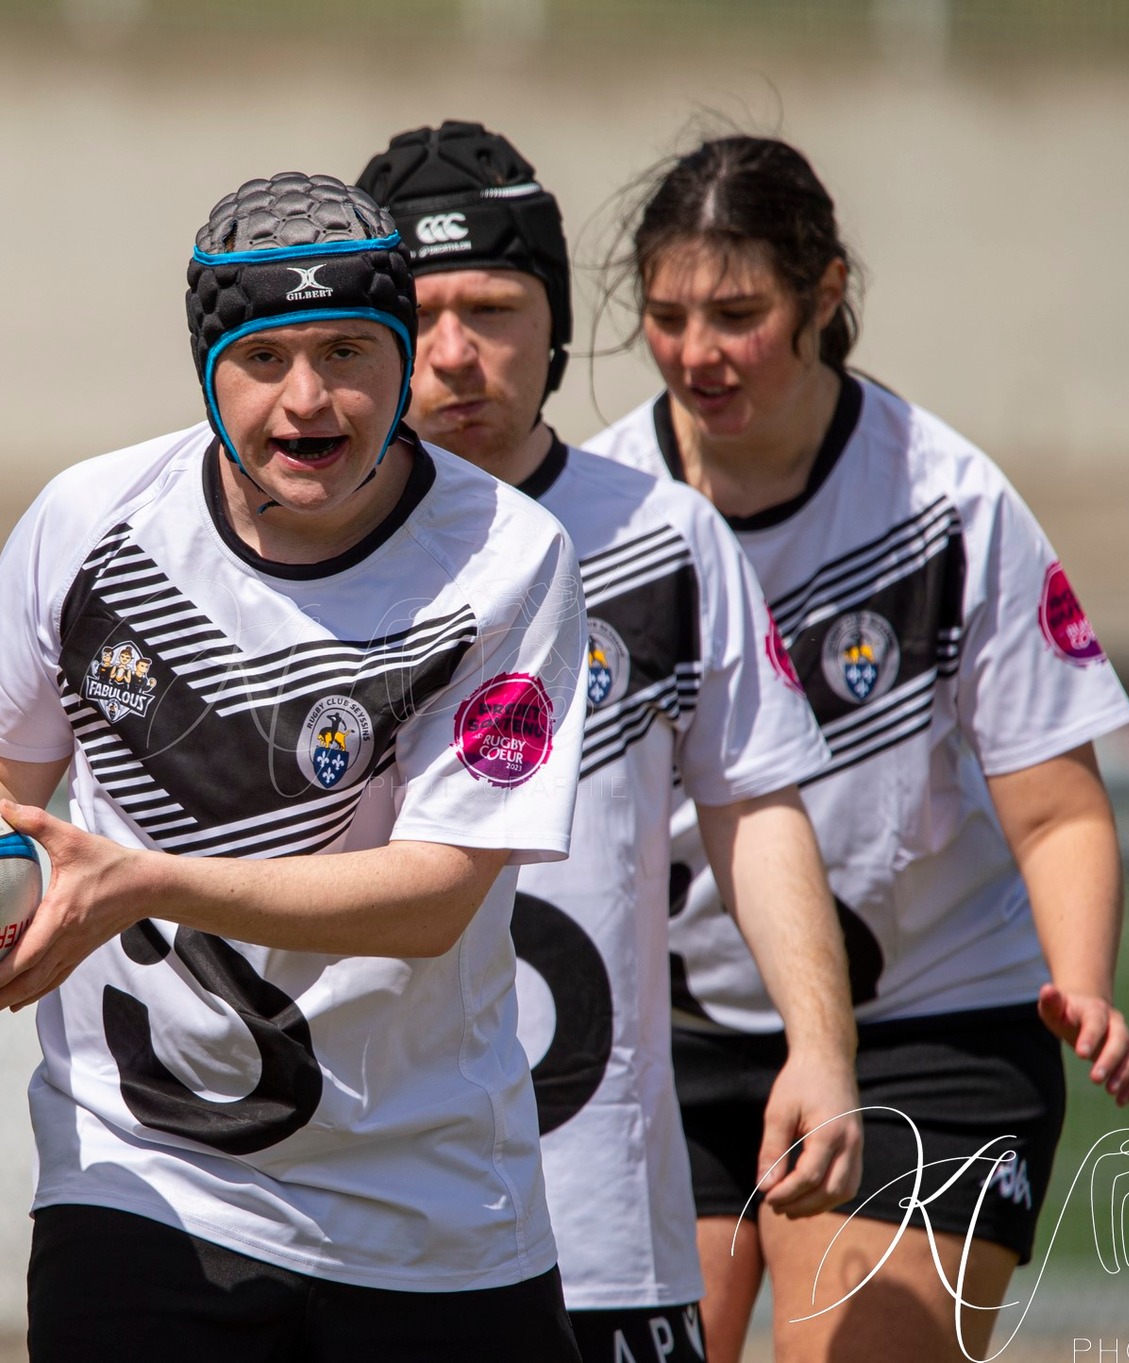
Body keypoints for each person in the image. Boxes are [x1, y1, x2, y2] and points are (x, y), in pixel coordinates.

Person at [0, 171, 590, 1363]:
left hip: (430, 1208)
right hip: (138, 1180)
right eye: (264, 355)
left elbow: (437, 893)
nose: (308, 397)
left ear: (401, 359)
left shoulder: (506, 560)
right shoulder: (90, 522)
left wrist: (141, 882)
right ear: (206, 366)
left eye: (346, 348)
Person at [586, 135, 1129, 1362]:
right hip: (662, 1049)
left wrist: (1084, 979)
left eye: (738, 314)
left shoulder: (947, 503)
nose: (695, 353)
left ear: (823, 295)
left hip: (931, 1035)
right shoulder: (597, 513)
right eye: (667, 315)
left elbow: (1054, 812)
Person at [357, 121, 862, 1363]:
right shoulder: (294, 550)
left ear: (557, 324)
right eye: (418, 314)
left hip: (597, 1237)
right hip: (350, 1215)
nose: (454, 355)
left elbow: (755, 808)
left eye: (493, 307)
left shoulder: (660, 535)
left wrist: (818, 1043)